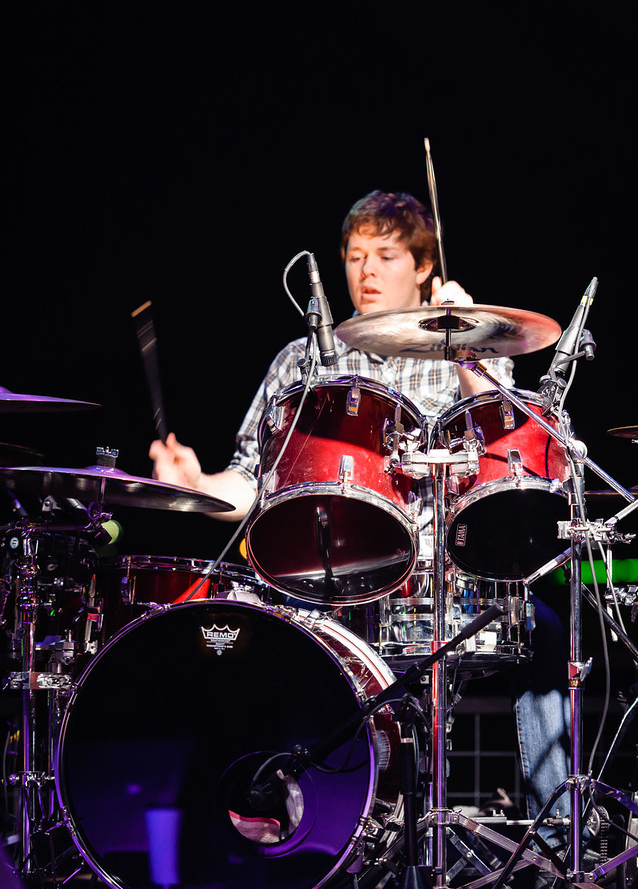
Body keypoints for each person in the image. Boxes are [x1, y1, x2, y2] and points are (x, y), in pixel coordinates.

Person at [150, 189, 571, 840]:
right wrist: (199, 484)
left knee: (541, 627)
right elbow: (256, 482)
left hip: (446, 582)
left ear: (424, 268)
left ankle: (555, 835)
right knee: (245, 635)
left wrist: (467, 348)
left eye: (386, 255)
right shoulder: (302, 360)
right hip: (328, 587)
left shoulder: (463, 350)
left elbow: (511, 448)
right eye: (354, 256)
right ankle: (287, 828)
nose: (366, 270)